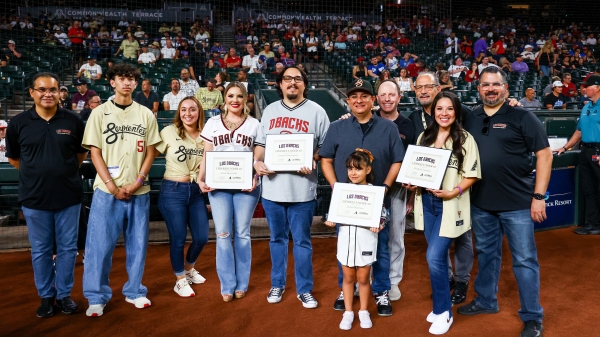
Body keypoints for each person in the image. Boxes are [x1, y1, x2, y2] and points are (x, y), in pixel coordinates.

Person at [459, 67, 551, 337]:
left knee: (524, 260)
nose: (491, 89)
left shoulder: (522, 115)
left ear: (506, 88)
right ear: (478, 88)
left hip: (518, 204)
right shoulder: (471, 117)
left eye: (496, 85)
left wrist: (539, 197)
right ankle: (486, 300)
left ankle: (532, 316)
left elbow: (544, 156)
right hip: (482, 204)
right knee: (487, 255)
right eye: (485, 85)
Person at [5, 72, 87, 318]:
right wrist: (37, 174)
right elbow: (14, 158)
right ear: (32, 92)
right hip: (34, 199)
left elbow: (80, 155)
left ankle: (64, 295)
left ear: (60, 92)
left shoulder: (73, 121)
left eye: (52, 89)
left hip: (69, 197)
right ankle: (46, 296)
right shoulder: (18, 123)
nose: (48, 94)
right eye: (42, 89)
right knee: (40, 250)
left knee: (67, 249)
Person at [82, 63, 161, 317]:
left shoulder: (146, 114)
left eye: (131, 79)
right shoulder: (99, 113)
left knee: (138, 245)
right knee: (99, 246)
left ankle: (135, 291)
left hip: (138, 190)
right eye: (121, 78)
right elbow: (94, 152)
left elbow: (152, 151)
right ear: (112, 82)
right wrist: (112, 186)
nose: (127, 83)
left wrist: (137, 181)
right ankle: (96, 296)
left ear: (136, 84)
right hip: (107, 192)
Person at [320, 79, 404, 316]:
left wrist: (386, 187)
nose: (359, 100)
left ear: (373, 100)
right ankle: (346, 288)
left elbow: (398, 160)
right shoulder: (337, 127)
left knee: (381, 248)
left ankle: (381, 291)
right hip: (346, 202)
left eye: (364, 96)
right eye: (354, 96)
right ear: (348, 101)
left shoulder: (388, 128)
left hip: (377, 201)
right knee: (345, 246)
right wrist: (337, 187)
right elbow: (325, 159)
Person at [253, 66, 330, 308]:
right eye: (288, 79)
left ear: (304, 84)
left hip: (302, 190)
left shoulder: (317, 111)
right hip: (273, 190)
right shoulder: (269, 111)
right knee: (276, 239)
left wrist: (312, 159)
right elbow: (261, 146)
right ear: (280, 84)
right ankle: (277, 284)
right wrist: (257, 161)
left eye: (297, 78)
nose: (292, 83)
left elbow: (326, 149)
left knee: (302, 241)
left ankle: (304, 288)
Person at [405, 91, 481, 335]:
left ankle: (444, 311)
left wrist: (454, 191)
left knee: (434, 257)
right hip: (427, 203)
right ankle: (441, 306)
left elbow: (472, 174)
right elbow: (416, 171)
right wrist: (411, 183)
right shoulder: (423, 137)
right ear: (433, 111)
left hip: (450, 204)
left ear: (456, 112)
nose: (444, 113)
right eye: (440, 109)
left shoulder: (465, 138)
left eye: (449, 109)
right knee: (436, 257)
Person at [199, 83, 260, 301]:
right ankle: (227, 283)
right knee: (223, 233)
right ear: (224, 98)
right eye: (231, 95)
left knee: (242, 234)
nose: (235, 100)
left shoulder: (255, 124)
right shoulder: (213, 123)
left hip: (246, 187)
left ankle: (242, 283)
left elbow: (258, 157)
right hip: (219, 186)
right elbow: (207, 153)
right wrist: (200, 176)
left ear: (245, 99)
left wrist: (256, 177)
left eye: (239, 96)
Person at [325, 149, 388, 330]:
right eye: (350, 169)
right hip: (345, 241)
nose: (353, 173)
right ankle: (348, 312)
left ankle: (363, 311)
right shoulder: (341, 190)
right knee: (348, 277)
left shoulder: (375, 192)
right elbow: (332, 212)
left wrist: (379, 224)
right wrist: (330, 219)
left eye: (358, 169)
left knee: (363, 278)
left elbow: (383, 215)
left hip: (366, 241)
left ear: (368, 170)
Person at [155, 96, 209, 297]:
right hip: (173, 190)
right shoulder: (168, 132)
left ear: (199, 112)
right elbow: (151, 153)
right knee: (178, 238)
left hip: (196, 191)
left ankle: (188, 268)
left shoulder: (206, 135)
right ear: (179, 112)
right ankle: (179, 279)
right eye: (183, 109)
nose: (188, 113)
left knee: (202, 237)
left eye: (192, 109)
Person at [553, 75, 600, 234]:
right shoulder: (586, 107)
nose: (584, 88)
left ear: (597, 87)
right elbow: (579, 131)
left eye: (587, 86)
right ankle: (592, 224)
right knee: (589, 188)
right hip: (586, 150)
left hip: (599, 150)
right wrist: (565, 148)